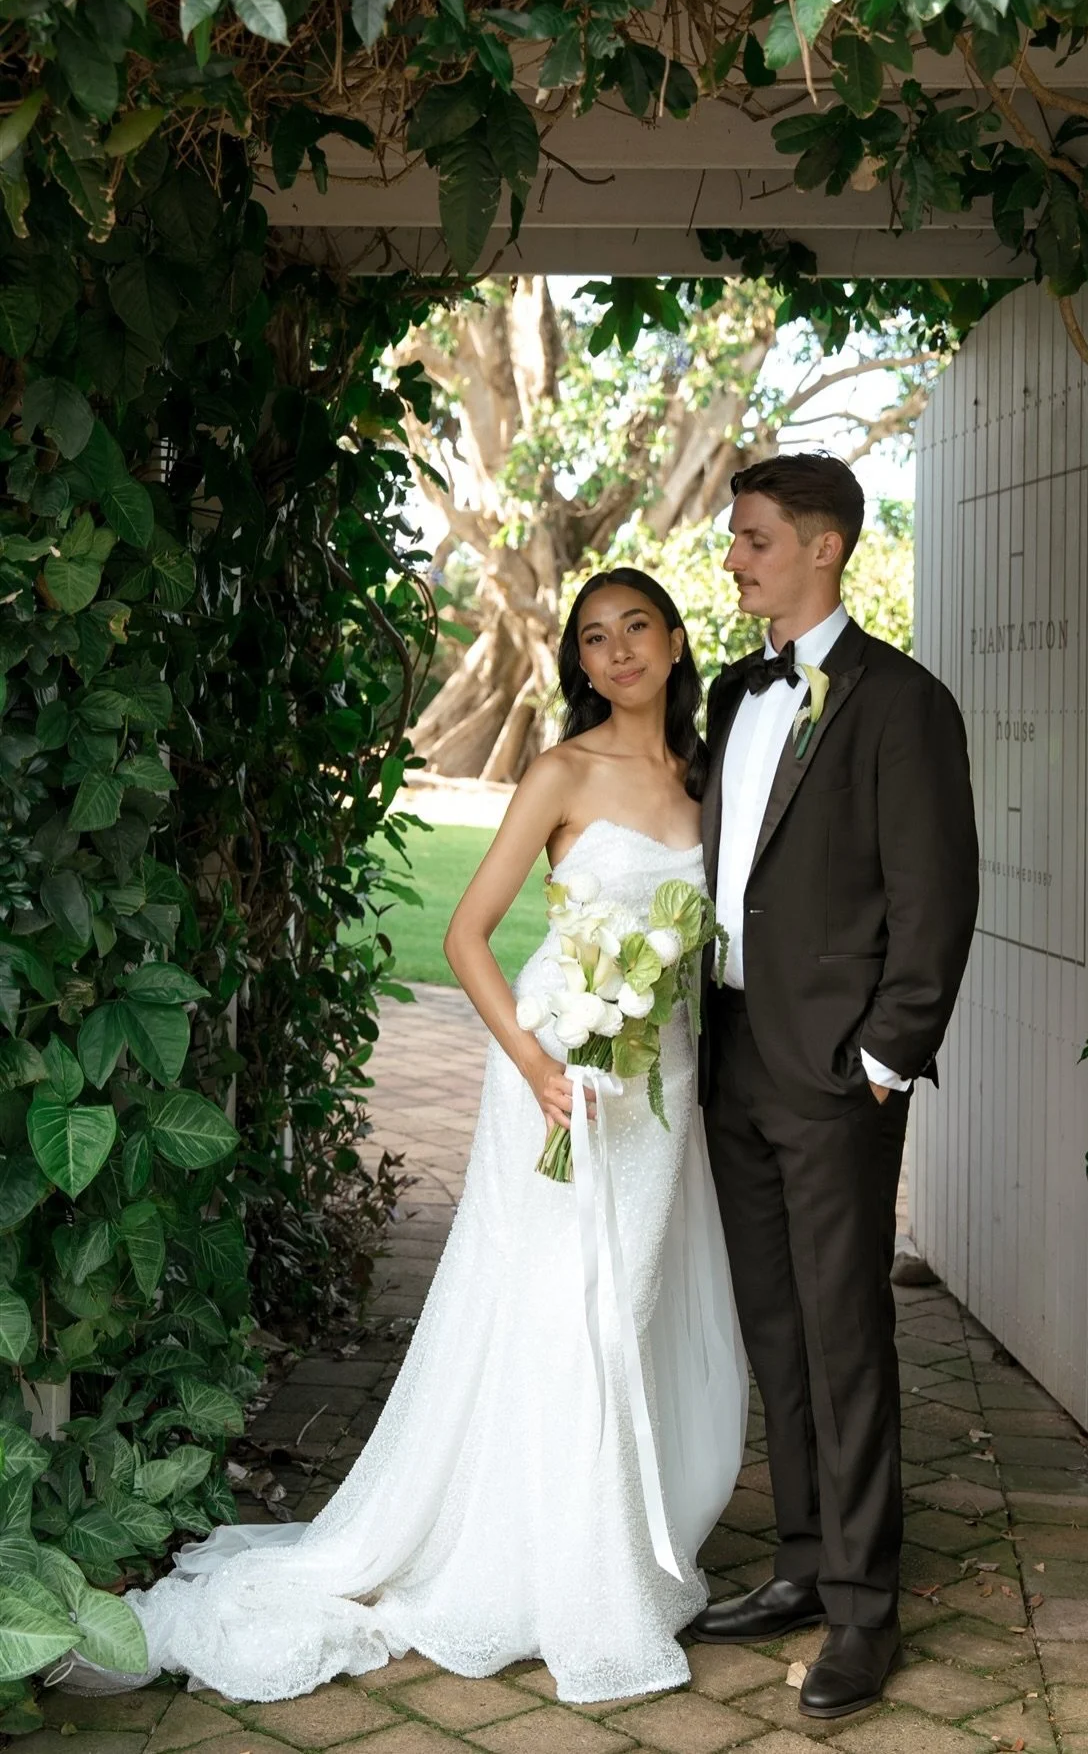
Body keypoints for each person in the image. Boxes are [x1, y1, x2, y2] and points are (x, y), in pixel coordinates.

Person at [57, 568, 747, 1707]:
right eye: (593, 637)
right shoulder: (562, 770)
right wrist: (536, 1065)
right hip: (558, 1074)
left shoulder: (708, 778)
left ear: (675, 641)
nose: (618, 651)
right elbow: (470, 936)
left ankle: (596, 1539)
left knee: (626, 1308)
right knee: (563, 1309)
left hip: (658, 1083)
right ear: (578, 662)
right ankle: (566, 1576)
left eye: (637, 628)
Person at [691, 453, 978, 1720]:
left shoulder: (904, 702)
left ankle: (864, 1608)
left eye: (754, 538)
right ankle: (802, 1559)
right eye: (735, 537)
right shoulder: (731, 690)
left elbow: (936, 896)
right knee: (774, 1326)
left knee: (845, 1329)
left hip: (833, 1073)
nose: (734, 558)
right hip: (730, 1052)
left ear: (825, 546)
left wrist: (879, 1060)